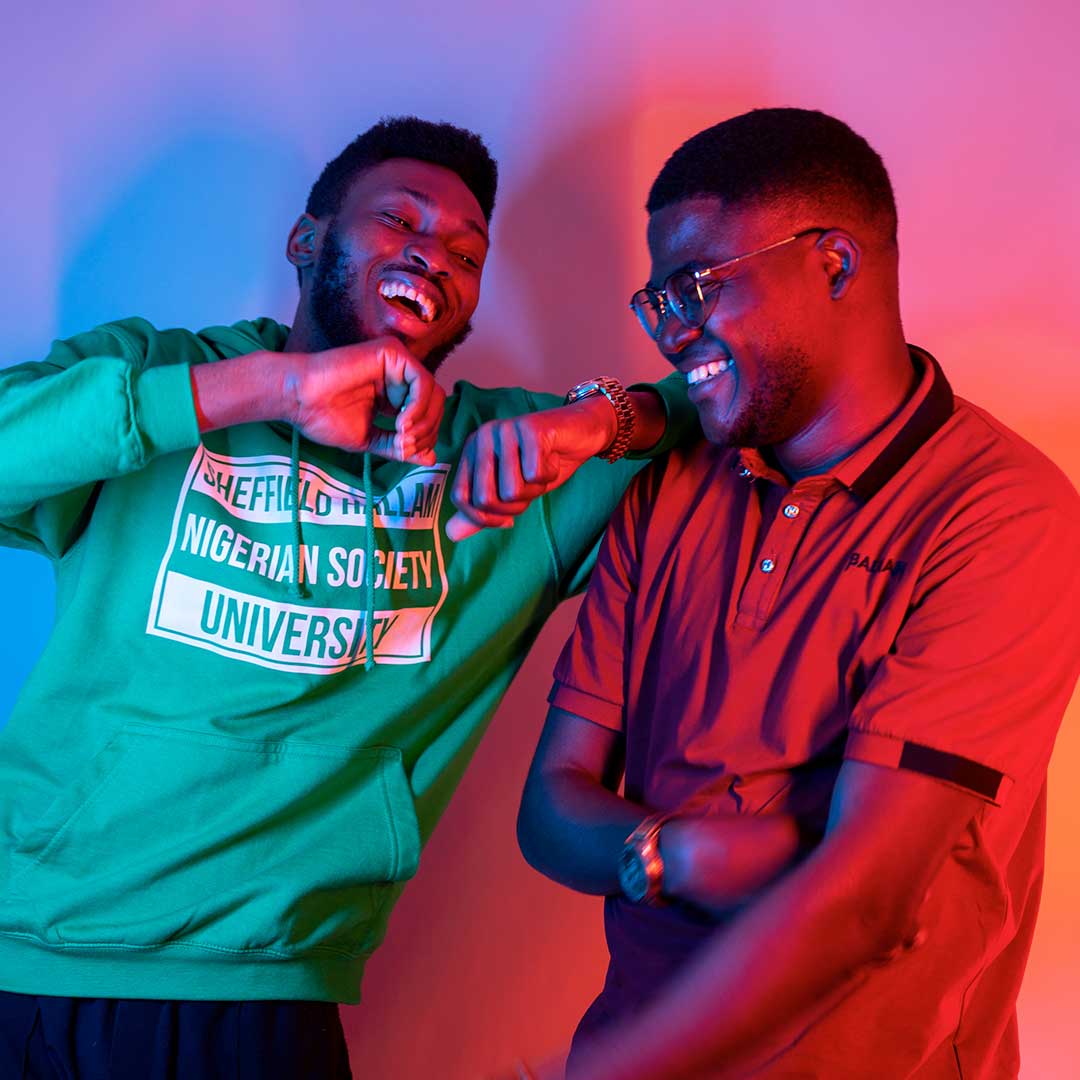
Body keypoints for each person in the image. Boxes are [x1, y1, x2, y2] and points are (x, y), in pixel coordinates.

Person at [0, 116, 695, 1078]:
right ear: (306, 240)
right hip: (25, 956)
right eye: (397, 220)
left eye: (465, 251)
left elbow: (736, 391)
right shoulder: (160, 384)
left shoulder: (509, 465)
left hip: (262, 992)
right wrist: (267, 392)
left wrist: (601, 420)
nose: (432, 253)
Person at [513, 108, 1080, 1079]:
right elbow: (550, 810)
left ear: (834, 264)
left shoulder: (1005, 513)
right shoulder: (673, 487)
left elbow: (863, 904)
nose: (672, 329)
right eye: (659, 300)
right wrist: (670, 849)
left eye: (697, 286)